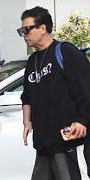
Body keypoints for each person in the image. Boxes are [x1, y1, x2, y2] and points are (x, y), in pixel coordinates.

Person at [19, 6, 90, 180]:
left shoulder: (66, 52)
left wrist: (82, 121)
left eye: (26, 29)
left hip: (68, 142)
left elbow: (86, 89)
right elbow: (26, 96)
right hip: (43, 144)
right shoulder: (32, 61)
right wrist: (26, 122)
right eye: (21, 30)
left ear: (43, 28)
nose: (23, 34)